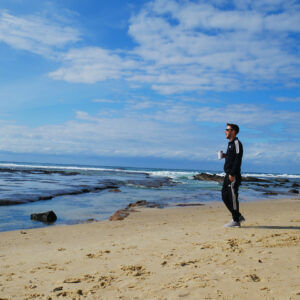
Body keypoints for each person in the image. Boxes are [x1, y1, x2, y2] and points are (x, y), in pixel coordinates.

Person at [221, 123, 245, 227]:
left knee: (232, 197)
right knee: (224, 196)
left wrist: (232, 173)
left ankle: (236, 221)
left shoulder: (236, 143)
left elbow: (238, 158)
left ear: (233, 131)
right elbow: (232, 157)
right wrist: (225, 156)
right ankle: (238, 216)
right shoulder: (230, 144)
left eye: (227, 129)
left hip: (233, 175)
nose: (225, 131)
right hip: (228, 174)